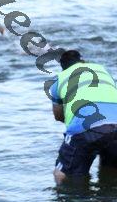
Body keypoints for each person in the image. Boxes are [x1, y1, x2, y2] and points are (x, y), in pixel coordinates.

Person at [50, 49, 117, 184]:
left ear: (63, 67)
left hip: (85, 126)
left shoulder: (60, 79)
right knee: (110, 168)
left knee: (61, 173)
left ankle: (72, 196)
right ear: (83, 61)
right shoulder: (102, 70)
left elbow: (58, 116)